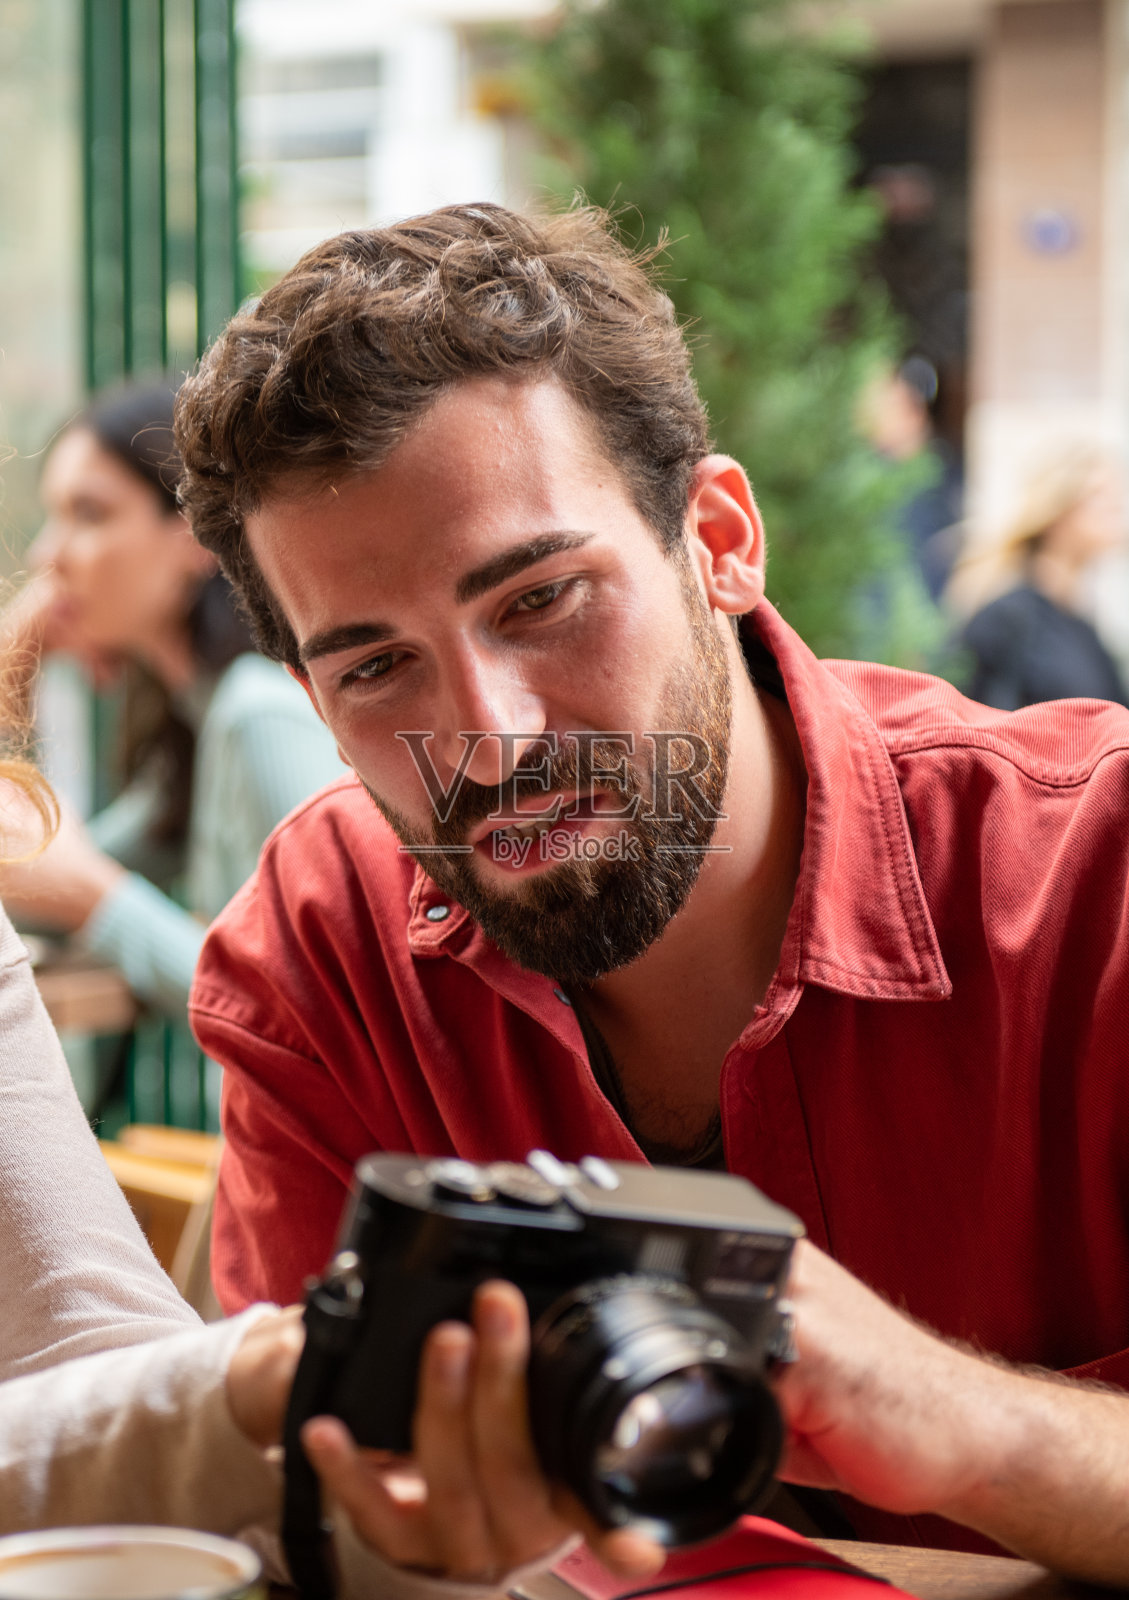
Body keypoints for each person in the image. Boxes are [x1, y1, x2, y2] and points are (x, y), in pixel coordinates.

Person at [171, 203, 1129, 1582]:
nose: (490, 739)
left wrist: (959, 1425)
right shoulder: (320, 948)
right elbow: (307, 1507)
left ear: (720, 539)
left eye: (541, 599)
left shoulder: (1089, 872)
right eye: (377, 669)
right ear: (315, 706)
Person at [0, 382, 341, 1017]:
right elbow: (23, 881)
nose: (48, 556)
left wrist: (94, 900)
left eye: (90, 515)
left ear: (192, 537)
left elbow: (316, 1007)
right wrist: (11, 658)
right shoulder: (197, 729)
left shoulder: (259, 711)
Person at [950, 443, 1129, 711]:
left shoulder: (1083, 626)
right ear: (1058, 509)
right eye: (1098, 494)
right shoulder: (1007, 620)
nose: (1115, 506)